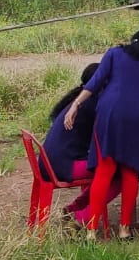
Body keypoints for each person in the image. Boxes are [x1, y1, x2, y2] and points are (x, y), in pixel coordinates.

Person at [63, 30, 139, 240]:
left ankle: (91, 230)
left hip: (111, 113)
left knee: (104, 170)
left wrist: (75, 104)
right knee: (130, 172)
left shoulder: (114, 54)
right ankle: (124, 230)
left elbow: (95, 82)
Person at [40, 63, 114, 226]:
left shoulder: (78, 100)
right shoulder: (94, 103)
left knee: (107, 170)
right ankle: (80, 218)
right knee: (117, 174)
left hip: (50, 162)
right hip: (63, 165)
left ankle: (74, 208)